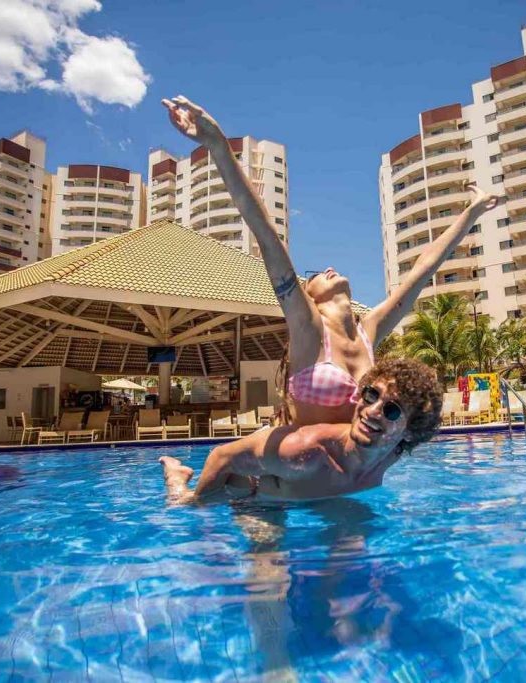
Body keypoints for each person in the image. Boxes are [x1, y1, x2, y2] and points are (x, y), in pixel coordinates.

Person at [162, 95, 501, 425]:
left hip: (348, 474)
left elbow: (423, 269)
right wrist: (218, 145)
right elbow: (265, 233)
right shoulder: (308, 327)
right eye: (316, 277)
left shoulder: (369, 332)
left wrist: (470, 214)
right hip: (296, 475)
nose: (328, 269)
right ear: (311, 298)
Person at [159, 357, 442, 503]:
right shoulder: (306, 451)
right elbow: (222, 456)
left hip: (307, 500)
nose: (372, 410)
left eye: (392, 410)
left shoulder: (388, 450)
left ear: (410, 431)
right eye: (370, 395)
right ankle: (177, 480)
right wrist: (199, 504)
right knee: (186, 505)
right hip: (257, 501)